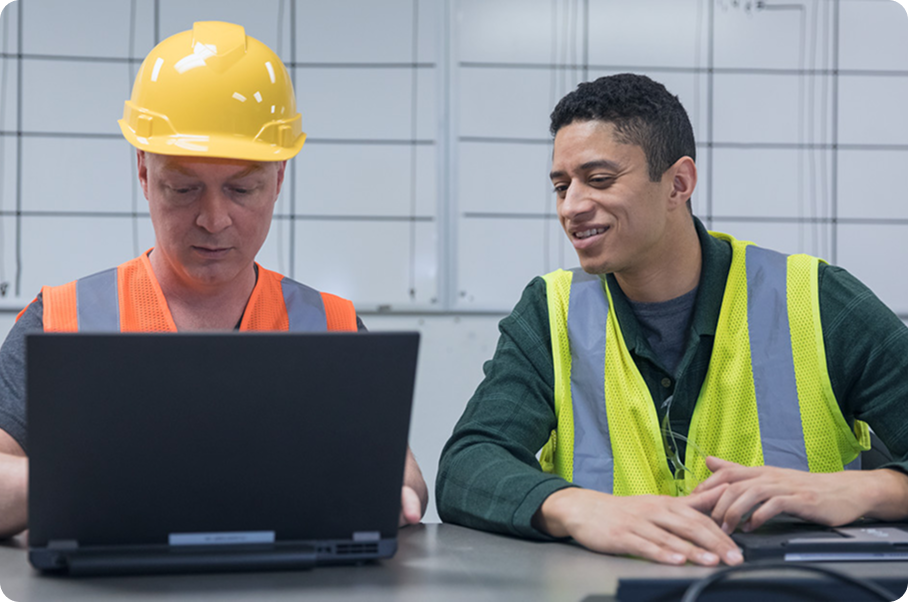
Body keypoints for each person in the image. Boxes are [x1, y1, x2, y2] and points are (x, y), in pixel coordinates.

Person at [436, 73, 908, 567]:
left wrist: (872, 490)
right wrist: (577, 508)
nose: (571, 206)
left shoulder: (816, 299)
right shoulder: (550, 310)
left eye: (599, 180)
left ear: (678, 184)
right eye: (561, 186)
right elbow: (468, 464)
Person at [0, 21, 427, 539]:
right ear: (143, 172)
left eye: (242, 189)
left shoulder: (330, 325)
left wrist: (398, 489)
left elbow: (400, 473)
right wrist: (104, 482)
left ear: (279, 180)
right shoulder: (61, 320)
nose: (214, 219)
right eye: (183, 189)